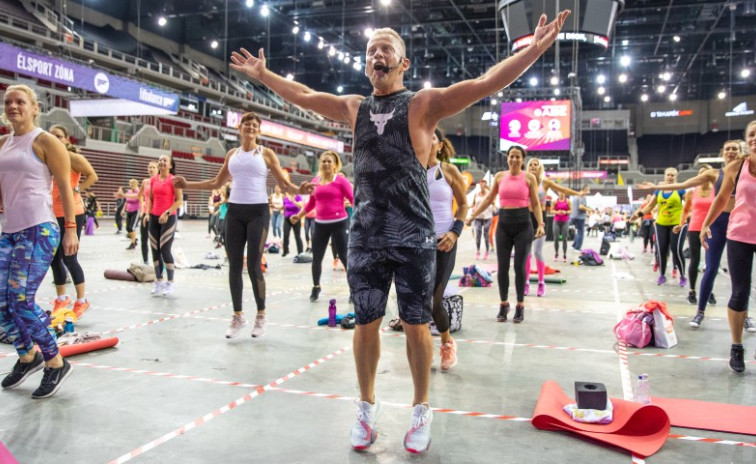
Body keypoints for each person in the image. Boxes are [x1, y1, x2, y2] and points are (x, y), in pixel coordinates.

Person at [230, 10, 568, 453]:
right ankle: (365, 408)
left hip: (413, 238)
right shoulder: (355, 108)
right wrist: (264, 74)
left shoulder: (423, 105)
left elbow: (485, 83)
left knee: (415, 325)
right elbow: (306, 96)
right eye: (371, 50)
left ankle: (420, 408)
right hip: (366, 237)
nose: (377, 54)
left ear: (403, 63)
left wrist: (533, 51)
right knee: (365, 325)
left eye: (386, 48)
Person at [173, 112, 313, 339]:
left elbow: (284, 184)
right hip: (235, 213)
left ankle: (261, 315)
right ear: (240, 128)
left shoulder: (266, 154)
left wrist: (300, 190)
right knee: (234, 266)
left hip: (258, 212)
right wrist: (187, 184)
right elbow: (216, 183)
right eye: (247, 124)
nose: (250, 127)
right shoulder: (232, 155)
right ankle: (237, 316)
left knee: (255, 266)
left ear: (259, 131)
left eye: (255, 125)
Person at [0, 84, 79, 398]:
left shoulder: (45, 141)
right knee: (2, 301)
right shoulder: (3, 143)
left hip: (39, 229)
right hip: (10, 230)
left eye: (20, 101)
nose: (13, 105)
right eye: (8, 101)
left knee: (21, 299)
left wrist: (71, 228)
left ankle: (56, 362)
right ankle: (27, 356)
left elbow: (64, 186)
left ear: (34, 108)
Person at [648, 140, 753, 330]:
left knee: (742, 276)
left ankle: (744, 315)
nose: (731, 151)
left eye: (734, 148)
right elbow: (686, 183)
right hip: (719, 223)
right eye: (727, 149)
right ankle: (700, 312)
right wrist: (658, 187)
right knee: (710, 268)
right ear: (722, 153)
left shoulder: (748, 169)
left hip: (741, 223)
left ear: (740, 151)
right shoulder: (715, 174)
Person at [700, 120, 756, 372]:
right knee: (740, 292)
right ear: (747, 139)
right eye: (751, 134)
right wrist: (705, 224)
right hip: (740, 235)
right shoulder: (737, 166)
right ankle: (737, 346)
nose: (755, 138)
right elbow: (722, 198)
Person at [468, 146, 545, 323]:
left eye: (518, 157)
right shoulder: (499, 176)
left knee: (519, 266)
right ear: (507, 158)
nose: (514, 159)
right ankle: (504, 304)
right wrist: (473, 215)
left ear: (523, 160)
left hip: (523, 226)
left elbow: (535, 203)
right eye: (512, 156)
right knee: (502, 267)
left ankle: (520, 305)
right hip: (503, 226)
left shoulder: (529, 178)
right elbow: (488, 199)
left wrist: (540, 224)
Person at [426, 128, 468, 371]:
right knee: (418, 301)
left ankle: (447, 343)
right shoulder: (412, 170)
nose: (426, 140)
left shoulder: (449, 170)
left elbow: (463, 205)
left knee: (434, 300)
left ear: (440, 145)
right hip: (417, 243)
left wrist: (455, 232)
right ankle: (423, 348)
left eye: (432, 137)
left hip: (444, 242)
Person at [48, 124, 98, 320]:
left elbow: (92, 175)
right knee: (53, 258)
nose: (54, 139)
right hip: (52, 213)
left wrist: (77, 189)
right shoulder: (46, 157)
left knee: (69, 257)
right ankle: (62, 298)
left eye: (59, 136)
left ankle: (81, 300)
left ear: (66, 139)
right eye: (51, 135)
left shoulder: (72, 158)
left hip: (72, 213)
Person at [291, 151, 353, 302]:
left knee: (344, 257)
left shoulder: (341, 181)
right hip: (320, 224)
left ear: (335, 165)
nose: (326, 163)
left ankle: (354, 289)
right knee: (317, 258)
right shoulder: (315, 181)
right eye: (323, 161)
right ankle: (316, 287)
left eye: (329, 161)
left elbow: (353, 199)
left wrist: (360, 217)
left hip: (339, 223)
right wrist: (298, 216)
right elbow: (311, 203)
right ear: (320, 164)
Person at [524, 157, 585, 297]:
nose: (533, 166)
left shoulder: (544, 183)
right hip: (526, 218)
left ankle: (541, 283)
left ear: (539, 168)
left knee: (537, 252)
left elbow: (561, 189)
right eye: (531, 164)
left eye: (535, 164)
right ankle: (526, 283)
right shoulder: (525, 181)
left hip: (540, 218)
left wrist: (577, 193)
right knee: (527, 253)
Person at [637, 168, 687, 287]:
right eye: (668, 175)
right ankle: (662, 275)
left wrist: (684, 219)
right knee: (661, 250)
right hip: (661, 224)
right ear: (664, 176)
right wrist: (637, 215)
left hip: (676, 224)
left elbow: (689, 205)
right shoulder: (659, 191)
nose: (670, 177)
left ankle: (682, 276)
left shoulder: (680, 189)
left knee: (676, 250)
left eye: (672, 175)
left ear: (676, 177)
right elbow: (650, 206)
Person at [146, 155, 182, 296]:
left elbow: (179, 201)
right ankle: (159, 281)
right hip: (154, 217)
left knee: (165, 249)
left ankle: (170, 282)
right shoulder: (153, 180)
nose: (161, 162)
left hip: (169, 218)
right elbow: (150, 198)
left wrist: (167, 212)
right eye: (160, 160)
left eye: (164, 160)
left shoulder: (174, 180)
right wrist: (148, 214)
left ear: (170, 165)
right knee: (155, 250)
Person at [677, 165, 713, 306]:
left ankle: (708, 290)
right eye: (701, 174)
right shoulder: (692, 192)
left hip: (711, 228)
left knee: (711, 262)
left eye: (706, 173)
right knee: (695, 259)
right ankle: (692, 291)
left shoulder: (716, 190)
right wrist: (681, 224)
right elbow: (685, 210)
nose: (703, 176)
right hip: (695, 228)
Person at [138, 161, 159, 265]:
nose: (151, 169)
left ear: (158, 169)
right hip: (146, 213)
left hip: (156, 213)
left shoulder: (160, 182)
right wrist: (142, 206)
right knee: (144, 238)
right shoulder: (145, 182)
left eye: (153, 167)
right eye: (149, 167)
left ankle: (158, 262)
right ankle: (145, 261)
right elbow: (139, 195)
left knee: (156, 240)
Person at [470, 179, 494, 259]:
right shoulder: (476, 194)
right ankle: (478, 251)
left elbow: (493, 198)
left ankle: (487, 251)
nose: (482, 185)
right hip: (478, 217)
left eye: (483, 184)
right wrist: (470, 208)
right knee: (478, 234)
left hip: (487, 217)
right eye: (480, 184)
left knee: (486, 234)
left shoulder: (489, 194)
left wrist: (494, 207)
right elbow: (473, 204)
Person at [114, 179, 141, 250]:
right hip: (129, 211)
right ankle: (134, 240)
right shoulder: (129, 191)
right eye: (131, 184)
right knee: (127, 228)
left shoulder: (138, 192)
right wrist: (123, 210)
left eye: (133, 184)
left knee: (132, 227)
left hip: (136, 211)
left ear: (136, 184)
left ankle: (133, 243)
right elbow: (126, 201)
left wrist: (142, 212)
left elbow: (141, 200)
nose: (132, 185)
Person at [281, 191, 304, 257]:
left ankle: (300, 251)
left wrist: (293, 201)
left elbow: (300, 206)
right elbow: (284, 207)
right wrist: (282, 212)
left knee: (297, 235)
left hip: (296, 218)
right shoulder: (286, 198)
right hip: (287, 218)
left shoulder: (298, 197)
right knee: (285, 234)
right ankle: (285, 250)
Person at [552, 191, 572, 261]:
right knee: (556, 238)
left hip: (565, 221)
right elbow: (551, 210)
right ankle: (556, 253)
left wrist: (565, 212)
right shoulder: (555, 201)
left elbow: (571, 210)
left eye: (563, 192)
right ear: (558, 193)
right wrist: (557, 212)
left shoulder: (568, 201)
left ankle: (564, 255)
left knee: (564, 238)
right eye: (560, 192)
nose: (561, 193)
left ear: (565, 193)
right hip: (556, 221)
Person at [570, 187, 590, 251]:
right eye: (588, 190)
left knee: (578, 231)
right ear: (585, 190)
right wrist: (589, 209)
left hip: (573, 216)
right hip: (580, 217)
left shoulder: (575, 196)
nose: (589, 191)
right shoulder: (582, 196)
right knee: (581, 232)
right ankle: (577, 247)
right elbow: (581, 207)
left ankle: (574, 245)